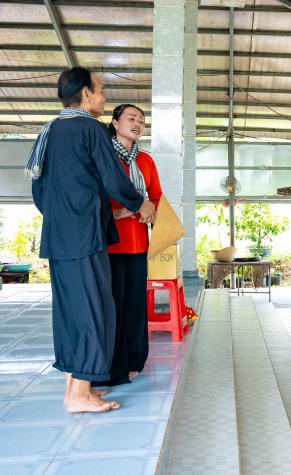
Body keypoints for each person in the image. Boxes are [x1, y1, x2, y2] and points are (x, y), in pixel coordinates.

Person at [27, 67, 156, 413]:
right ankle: (80, 394)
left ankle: (74, 388)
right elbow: (114, 180)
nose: (102, 98)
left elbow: (38, 189)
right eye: (99, 91)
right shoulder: (90, 128)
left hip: (59, 237)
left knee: (70, 313)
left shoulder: (50, 130)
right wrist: (142, 205)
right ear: (85, 94)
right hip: (85, 238)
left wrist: (63, 216)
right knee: (95, 311)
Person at [98, 104, 163, 386]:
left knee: (135, 305)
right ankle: (114, 364)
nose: (137, 123)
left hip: (138, 242)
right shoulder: (102, 157)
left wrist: (149, 210)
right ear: (114, 122)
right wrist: (117, 213)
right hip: (109, 242)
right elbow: (94, 197)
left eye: (141, 120)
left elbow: (156, 196)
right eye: (131, 118)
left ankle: (136, 359)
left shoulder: (146, 161)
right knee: (112, 305)